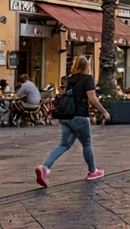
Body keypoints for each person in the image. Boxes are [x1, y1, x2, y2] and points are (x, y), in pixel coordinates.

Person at [34, 55, 109, 187]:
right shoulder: (88, 79)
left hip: (66, 116)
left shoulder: (70, 79)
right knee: (86, 144)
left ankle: (45, 167)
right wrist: (103, 111)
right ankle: (92, 171)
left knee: (64, 144)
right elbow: (92, 98)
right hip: (80, 115)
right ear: (86, 66)